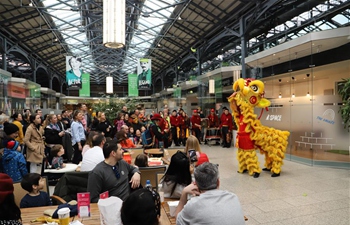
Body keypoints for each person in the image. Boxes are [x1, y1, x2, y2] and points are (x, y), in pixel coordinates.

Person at [175, 163, 245, 225]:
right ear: (218, 182)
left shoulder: (193, 204)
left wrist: (184, 192)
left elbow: (178, 221)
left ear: (196, 184)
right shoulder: (233, 197)